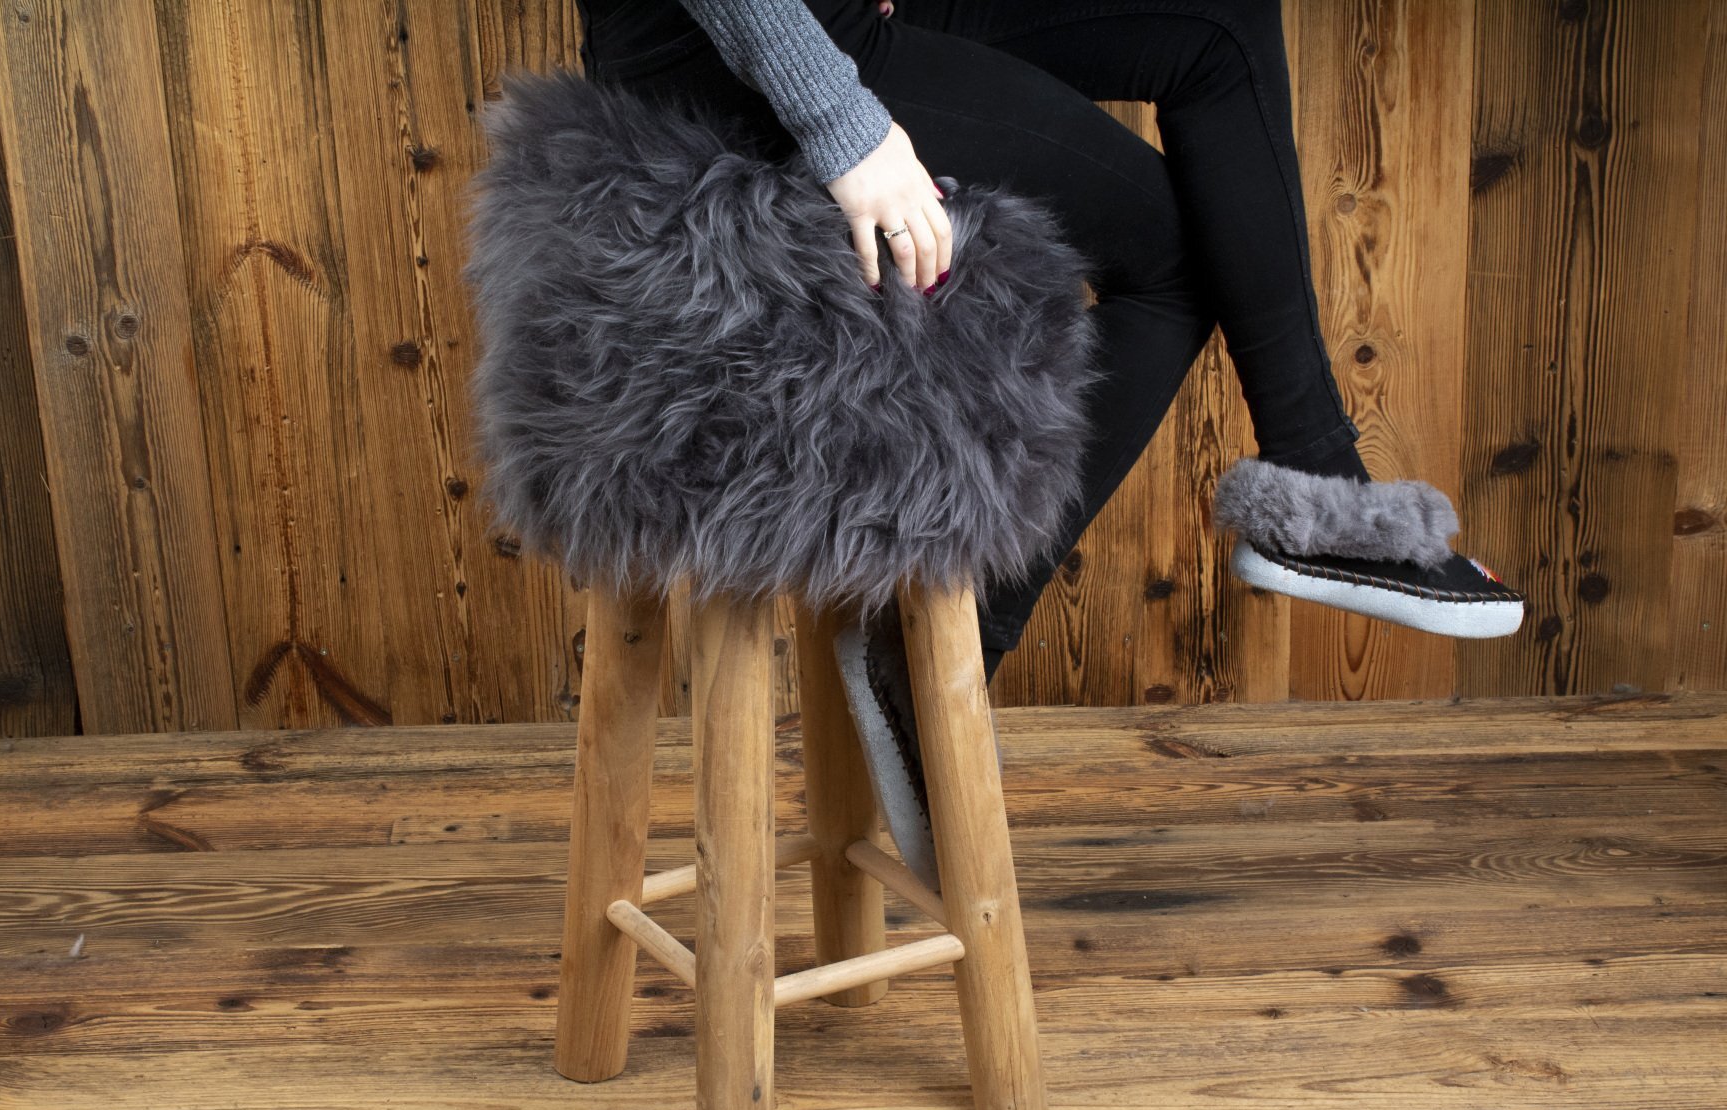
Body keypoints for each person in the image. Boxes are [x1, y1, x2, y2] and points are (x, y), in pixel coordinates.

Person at [573, 0, 1524, 891]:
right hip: (729, 62)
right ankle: (948, 632)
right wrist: (843, 124)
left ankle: (1318, 487)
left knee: (1218, 21)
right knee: (1181, 254)